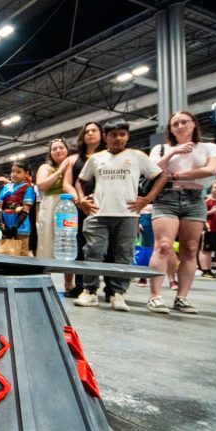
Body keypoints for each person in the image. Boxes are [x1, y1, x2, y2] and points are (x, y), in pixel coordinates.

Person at [74, 119, 168, 312]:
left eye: (122, 134)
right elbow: (80, 181)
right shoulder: (96, 158)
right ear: (106, 137)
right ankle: (90, 292)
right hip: (98, 214)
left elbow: (160, 176)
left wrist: (147, 199)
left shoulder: (137, 156)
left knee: (123, 255)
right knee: (93, 252)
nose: (118, 138)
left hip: (128, 215)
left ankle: (118, 294)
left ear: (127, 136)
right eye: (113, 135)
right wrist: (81, 200)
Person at [146, 111, 216, 314]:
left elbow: (211, 170)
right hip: (166, 198)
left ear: (194, 124)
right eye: (175, 124)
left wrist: (176, 175)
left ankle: (182, 298)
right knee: (163, 246)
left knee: (190, 248)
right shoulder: (161, 149)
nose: (180, 126)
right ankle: (154, 297)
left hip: (195, 199)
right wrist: (173, 153)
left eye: (184, 122)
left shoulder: (209, 147)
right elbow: (151, 170)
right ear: (170, 129)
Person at [62, 121, 105, 299]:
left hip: (103, 206)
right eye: (87, 131)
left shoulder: (107, 156)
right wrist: (80, 200)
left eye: (94, 130)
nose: (90, 134)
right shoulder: (74, 159)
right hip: (79, 206)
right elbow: (67, 183)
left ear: (101, 134)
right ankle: (80, 285)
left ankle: (111, 289)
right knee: (80, 245)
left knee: (105, 248)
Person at [35, 139, 72, 291]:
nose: (58, 151)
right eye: (54, 148)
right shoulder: (46, 168)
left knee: (68, 243)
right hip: (50, 205)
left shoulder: (73, 164)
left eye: (61, 147)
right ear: (50, 153)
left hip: (70, 205)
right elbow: (42, 185)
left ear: (67, 149)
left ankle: (69, 282)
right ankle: (43, 279)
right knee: (46, 242)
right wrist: (59, 171)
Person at [0, 162, 36, 256]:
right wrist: (2, 225)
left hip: (22, 228)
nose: (14, 174)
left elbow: (26, 209)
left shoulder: (28, 188)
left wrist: (15, 227)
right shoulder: (5, 187)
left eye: (18, 172)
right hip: (5, 227)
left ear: (26, 173)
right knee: (5, 254)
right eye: (13, 171)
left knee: (22, 255)